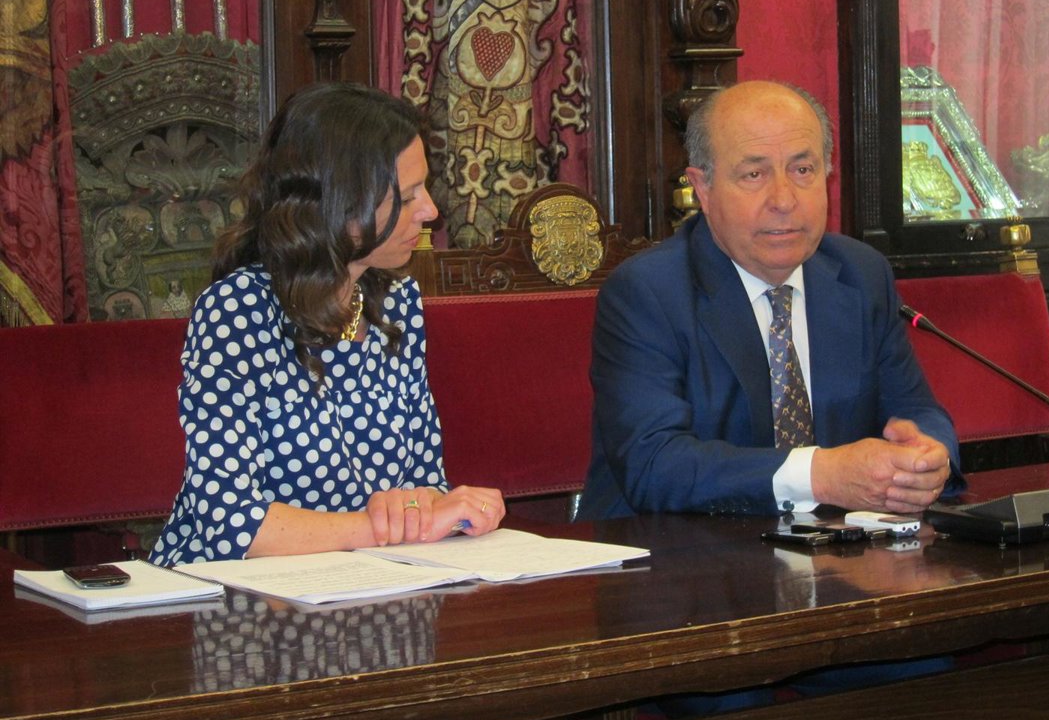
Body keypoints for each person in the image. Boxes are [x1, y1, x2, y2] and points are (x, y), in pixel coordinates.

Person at [150, 82, 505, 566]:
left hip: (364, 580)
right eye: (408, 195)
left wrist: (454, 509)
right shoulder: (239, 310)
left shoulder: (399, 302)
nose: (431, 210)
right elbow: (232, 526)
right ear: (340, 202)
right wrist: (381, 527)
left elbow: (424, 483)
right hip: (227, 591)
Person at [578, 79, 962, 523]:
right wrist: (818, 475)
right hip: (673, 551)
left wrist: (928, 457)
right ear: (703, 189)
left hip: (834, 549)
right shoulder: (648, 292)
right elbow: (654, 464)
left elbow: (916, 411)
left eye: (803, 170)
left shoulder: (860, 274)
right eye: (754, 175)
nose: (783, 200)